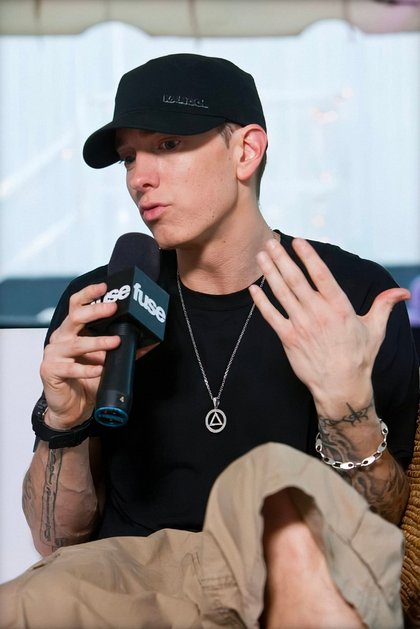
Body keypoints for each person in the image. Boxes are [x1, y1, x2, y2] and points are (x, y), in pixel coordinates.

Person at [0, 53, 418, 629]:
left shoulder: (350, 295)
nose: (138, 178)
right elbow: (56, 541)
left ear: (245, 151)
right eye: (129, 157)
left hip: (288, 568)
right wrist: (64, 421)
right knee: (21, 602)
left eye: (168, 145)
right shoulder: (102, 302)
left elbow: (384, 524)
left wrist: (349, 405)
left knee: (267, 479)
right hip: (137, 574)